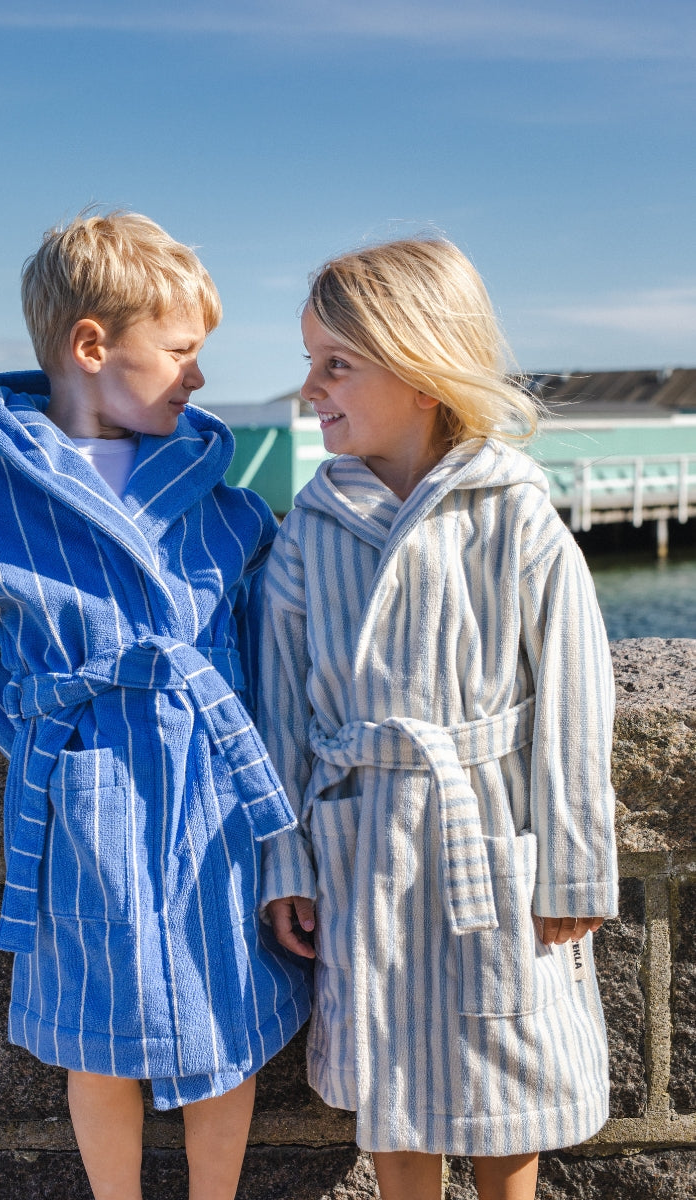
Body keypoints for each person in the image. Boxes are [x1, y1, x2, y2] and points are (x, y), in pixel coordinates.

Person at [0, 210, 310, 1200]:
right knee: (97, 1026)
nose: (198, 377)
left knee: (225, 1015)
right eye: (180, 351)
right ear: (91, 345)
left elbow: (271, 637)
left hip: (213, 795)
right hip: (85, 796)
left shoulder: (216, 487)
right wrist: (35, 727)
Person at [260, 236, 617, 1200]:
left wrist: (574, 863)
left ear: (421, 373)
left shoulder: (516, 517)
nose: (310, 389)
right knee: (392, 1081)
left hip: (490, 837)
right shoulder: (311, 531)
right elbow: (280, 715)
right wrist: (287, 861)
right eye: (309, 362)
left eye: (336, 364)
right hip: (362, 841)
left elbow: (575, 701)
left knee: (508, 1079)